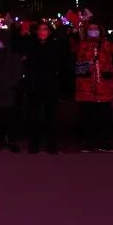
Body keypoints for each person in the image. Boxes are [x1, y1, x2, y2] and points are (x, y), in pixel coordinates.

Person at [73, 23, 113, 153]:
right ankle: (87, 141)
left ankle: (105, 142)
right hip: (85, 86)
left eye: (95, 29)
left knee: (104, 116)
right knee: (87, 116)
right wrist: (75, 31)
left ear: (100, 30)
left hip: (104, 86)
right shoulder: (81, 44)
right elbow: (73, 51)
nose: (93, 31)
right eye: (90, 29)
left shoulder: (106, 44)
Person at [18, 22, 65, 154]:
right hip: (34, 86)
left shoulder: (55, 45)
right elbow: (24, 59)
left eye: (45, 29)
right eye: (40, 29)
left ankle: (51, 145)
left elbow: (61, 63)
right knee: (34, 117)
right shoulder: (31, 45)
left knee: (51, 116)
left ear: (49, 32)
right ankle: (34, 145)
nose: (42, 32)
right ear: (37, 32)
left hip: (50, 85)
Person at [0, 30, 22, 153]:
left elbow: (17, 74)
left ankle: (11, 140)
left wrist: (8, 85)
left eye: (1, 40)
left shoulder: (13, 56)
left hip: (8, 91)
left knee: (9, 118)